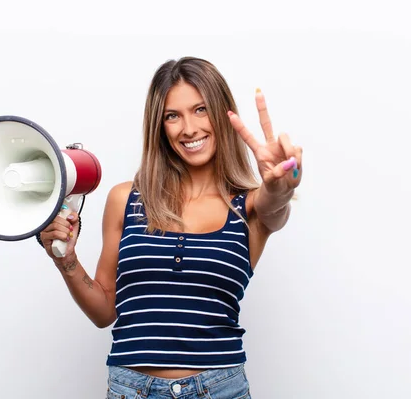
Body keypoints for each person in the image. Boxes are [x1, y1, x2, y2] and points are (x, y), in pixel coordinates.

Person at [38, 57, 303, 398]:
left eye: (201, 109)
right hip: (131, 389)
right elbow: (105, 312)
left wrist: (282, 186)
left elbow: (274, 206)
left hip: (219, 389)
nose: (189, 128)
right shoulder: (126, 200)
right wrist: (67, 262)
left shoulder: (248, 206)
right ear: (159, 126)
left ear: (223, 115)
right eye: (172, 115)